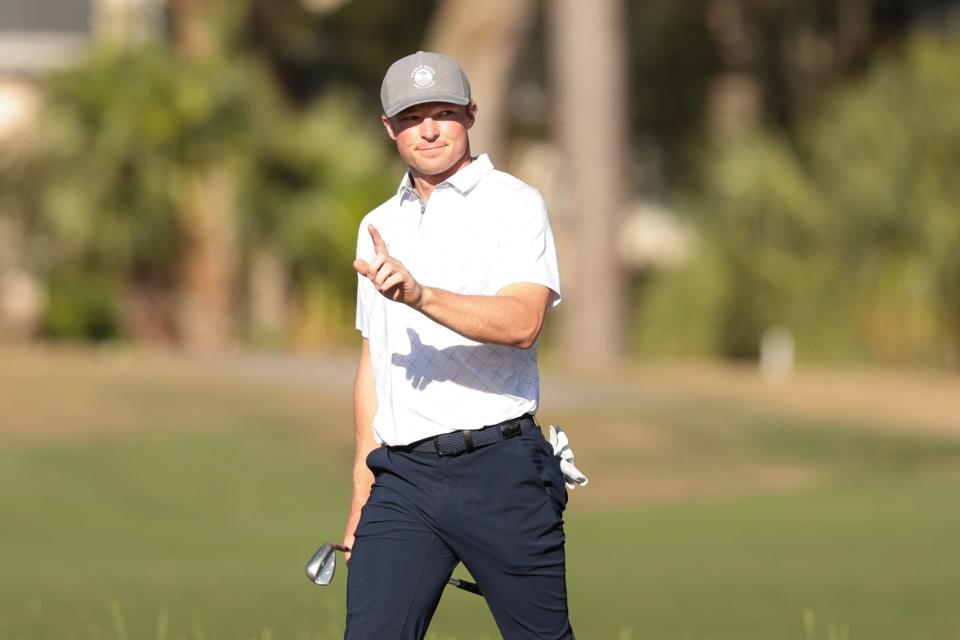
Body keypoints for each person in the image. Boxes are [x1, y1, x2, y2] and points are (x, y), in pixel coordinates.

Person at [342, 50, 574, 639]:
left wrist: (421, 295)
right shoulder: (378, 225)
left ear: (471, 115)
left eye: (444, 112)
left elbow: (523, 321)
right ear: (388, 127)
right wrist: (359, 500)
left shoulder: (516, 204)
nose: (429, 128)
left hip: (500, 470)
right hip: (402, 481)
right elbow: (376, 367)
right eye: (412, 116)